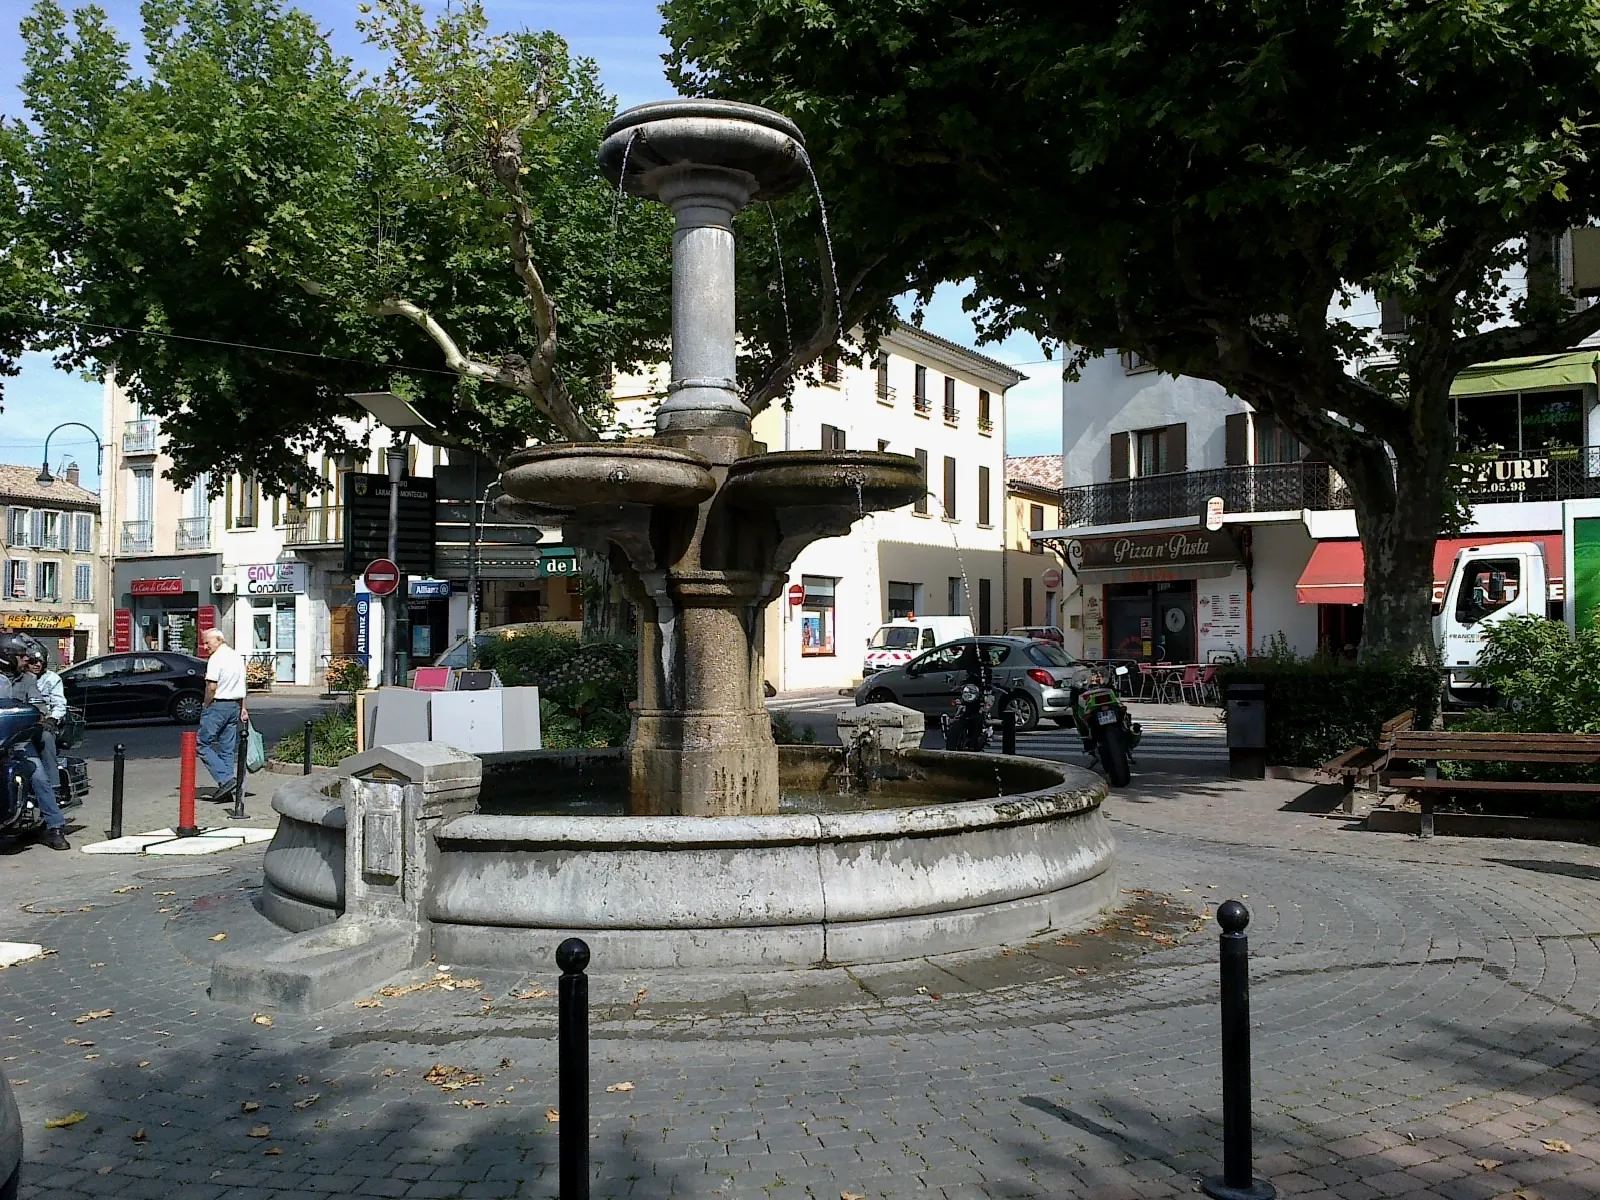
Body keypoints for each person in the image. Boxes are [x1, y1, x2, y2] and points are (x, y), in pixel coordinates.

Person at [0, 633, 68, 849]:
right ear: (7, 656)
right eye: (22, 656)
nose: (26, 660)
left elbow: (39, 706)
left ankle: (55, 826)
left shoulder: (28, 680)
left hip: (17, 742)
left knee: (37, 775)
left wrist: (38, 715)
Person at [197, 628, 248, 802]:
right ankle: (227, 788)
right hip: (234, 706)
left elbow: (211, 687)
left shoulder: (216, 658)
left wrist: (206, 704)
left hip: (218, 705)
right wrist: (242, 708)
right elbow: (242, 686)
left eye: (207, 642)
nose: (205, 647)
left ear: (218, 640)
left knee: (203, 743)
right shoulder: (236, 657)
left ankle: (226, 780)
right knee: (227, 748)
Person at [21, 644, 68, 810]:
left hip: (43, 723)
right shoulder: (19, 678)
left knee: (46, 739)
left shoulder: (51, 679)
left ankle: (53, 789)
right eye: (33, 661)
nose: (37, 665)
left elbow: (60, 705)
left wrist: (52, 719)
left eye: (40, 661)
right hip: (20, 724)